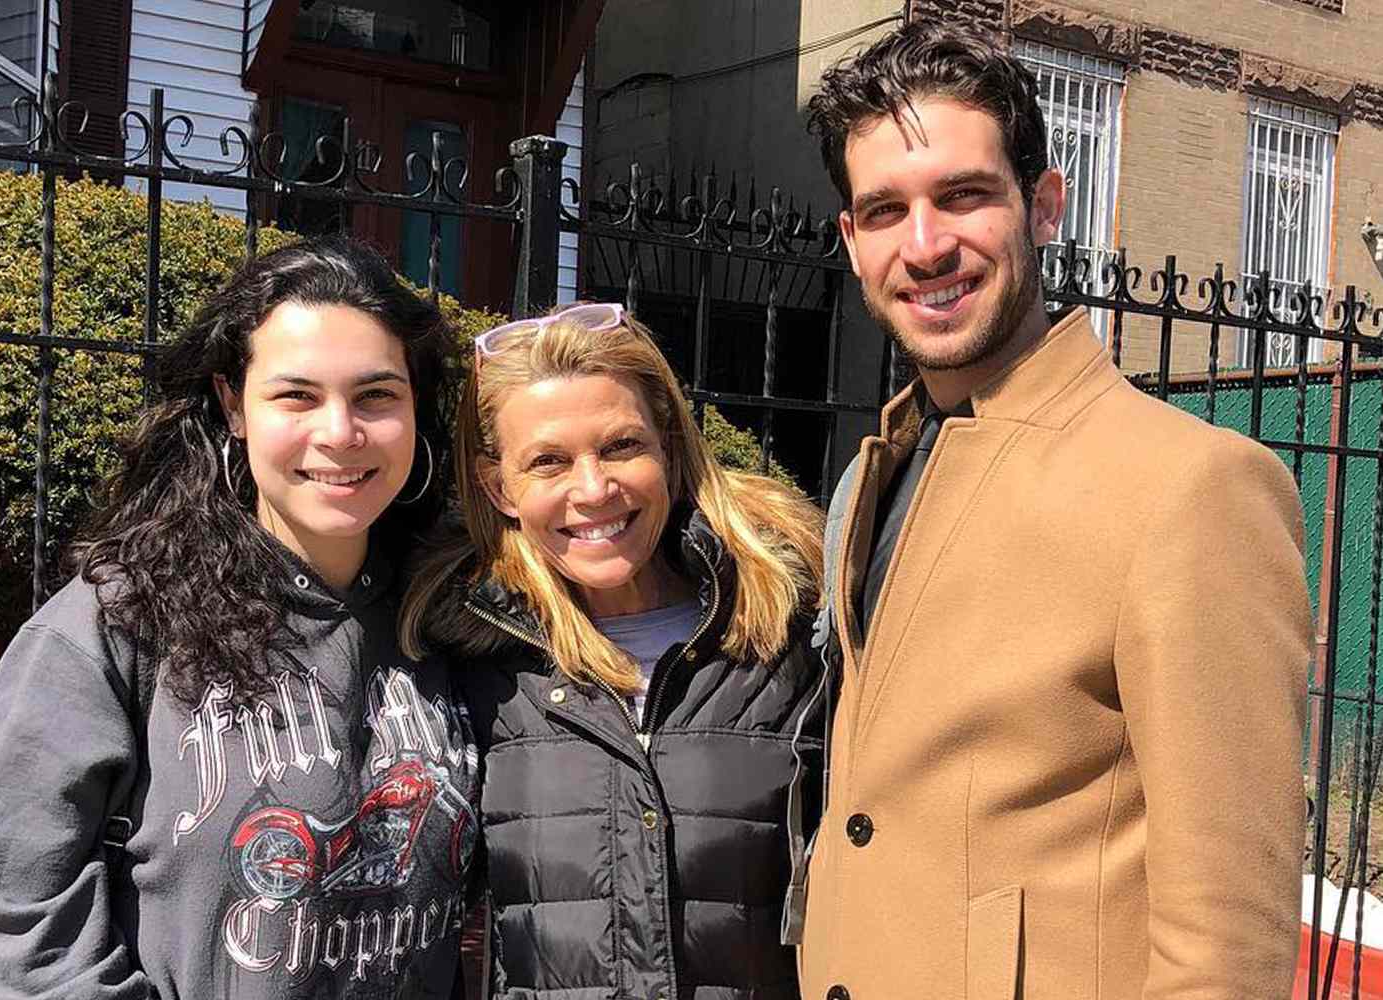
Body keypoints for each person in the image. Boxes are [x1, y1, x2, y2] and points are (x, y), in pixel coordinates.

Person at [797, 21, 1312, 1000]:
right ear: (852, 241)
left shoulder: (1191, 488)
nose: (925, 245)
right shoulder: (878, 471)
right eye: (885, 209)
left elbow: (1227, 951)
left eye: (963, 195)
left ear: (1043, 205)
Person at [0, 237, 478, 1000]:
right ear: (234, 406)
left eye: (376, 396)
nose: (340, 432)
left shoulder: (450, 612)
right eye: (297, 396)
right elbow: (16, 924)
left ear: (415, 407)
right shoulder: (119, 622)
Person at [400, 302, 826, 1000]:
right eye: (548, 462)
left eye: (622, 446)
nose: (594, 489)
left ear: (669, 448)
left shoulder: (797, 632)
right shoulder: (464, 658)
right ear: (498, 487)